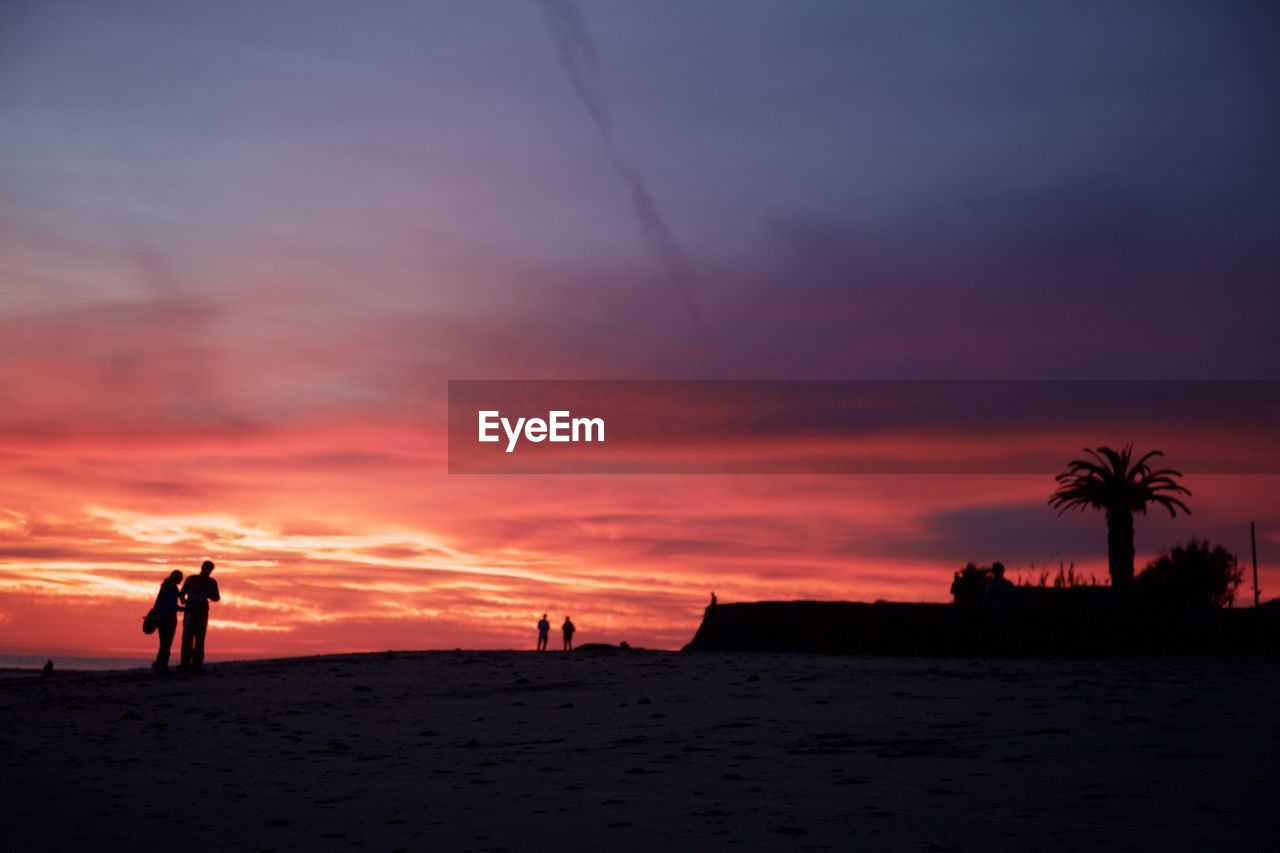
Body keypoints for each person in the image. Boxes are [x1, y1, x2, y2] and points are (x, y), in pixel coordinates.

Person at [179, 560, 220, 673]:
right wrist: (185, 601)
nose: (208, 571)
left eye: (209, 569)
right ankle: (188, 664)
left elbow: (216, 597)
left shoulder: (209, 582)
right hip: (192, 613)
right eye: (207, 568)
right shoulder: (193, 579)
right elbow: (182, 594)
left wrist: (206, 594)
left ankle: (193, 665)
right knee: (191, 638)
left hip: (198, 613)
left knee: (196, 639)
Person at [151, 570, 183, 673]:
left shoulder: (172, 587)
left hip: (169, 618)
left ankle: (160, 664)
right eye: (180, 578)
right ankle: (161, 665)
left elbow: (171, 604)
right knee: (166, 643)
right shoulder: (168, 588)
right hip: (166, 619)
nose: (181, 580)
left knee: (165, 643)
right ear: (175, 577)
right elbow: (165, 604)